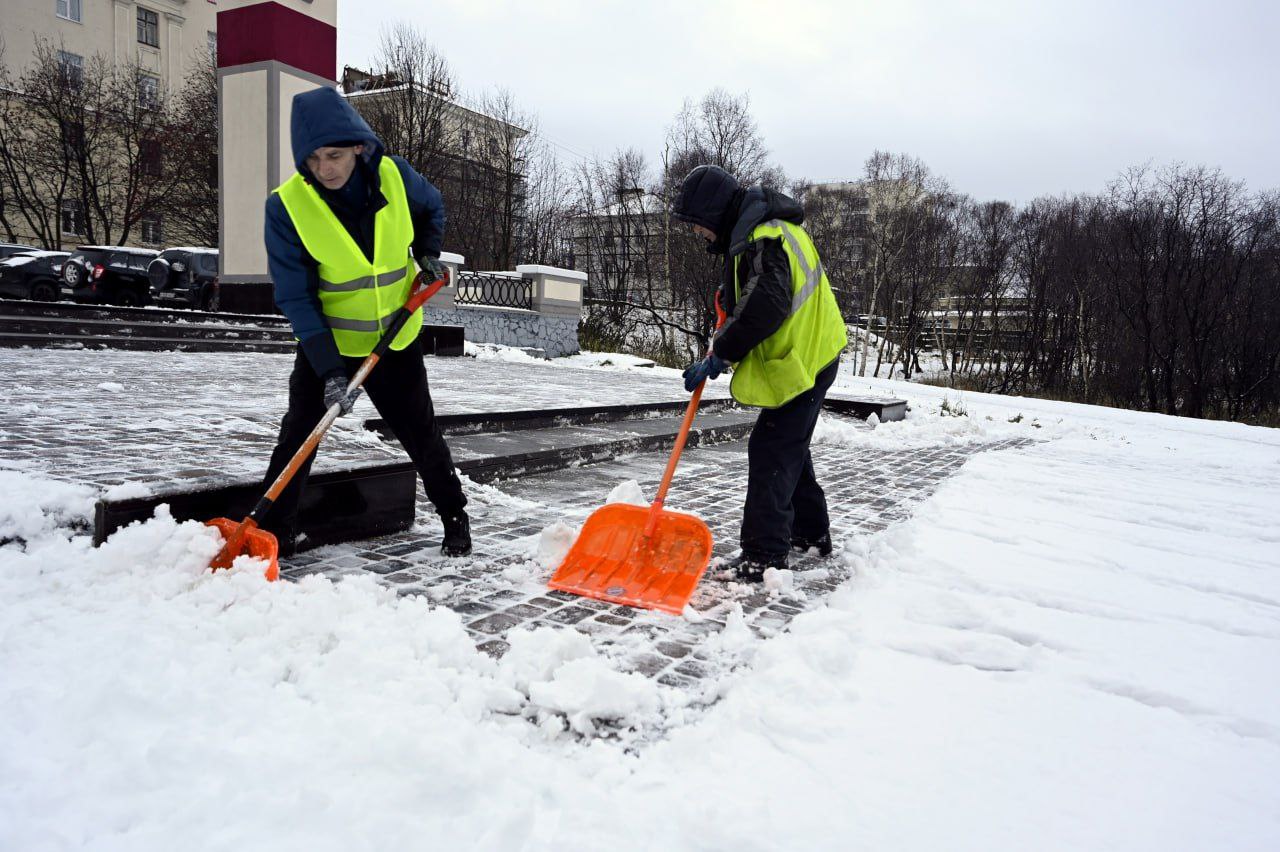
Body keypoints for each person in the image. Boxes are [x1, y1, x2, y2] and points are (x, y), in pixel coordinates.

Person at [259, 86, 470, 558]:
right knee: (299, 437)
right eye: (312, 160)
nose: (324, 169)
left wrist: (428, 254)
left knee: (420, 434)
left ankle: (455, 517)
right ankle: (275, 533)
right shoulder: (287, 206)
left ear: (358, 147)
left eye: (333, 155)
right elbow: (295, 295)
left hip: (397, 338)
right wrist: (331, 371)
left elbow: (431, 206)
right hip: (326, 343)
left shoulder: (394, 176)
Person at [672, 165, 847, 581]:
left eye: (698, 225)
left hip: (806, 358)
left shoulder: (764, 236)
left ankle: (764, 556)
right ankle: (809, 532)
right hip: (810, 354)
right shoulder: (762, 231)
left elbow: (768, 303)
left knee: (771, 450)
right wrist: (731, 299)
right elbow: (760, 291)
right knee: (789, 447)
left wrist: (722, 353)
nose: (699, 235)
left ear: (714, 213)